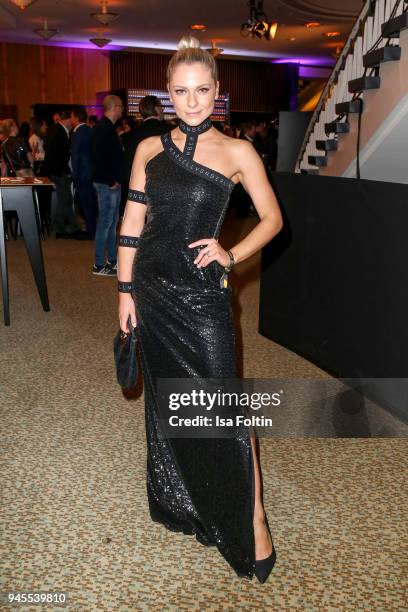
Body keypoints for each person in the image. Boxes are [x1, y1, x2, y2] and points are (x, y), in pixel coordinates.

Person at [117, 35, 283, 582]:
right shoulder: (147, 150)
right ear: (167, 93)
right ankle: (188, 501)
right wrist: (124, 292)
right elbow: (132, 226)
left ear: (217, 91)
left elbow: (273, 219)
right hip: (153, 294)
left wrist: (229, 253)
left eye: (202, 90)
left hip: (203, 297)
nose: (192, 101)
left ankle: (253, 518)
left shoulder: (237, 151)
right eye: (181, 91)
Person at [91, 94, 124, 275]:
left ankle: (111, 260)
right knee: (106, 223)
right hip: (107, 184)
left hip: (109, 182)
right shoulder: (104, 128)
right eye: (121, 106)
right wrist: (111, 180)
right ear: (115, 107)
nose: (123, 110)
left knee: (111, 223)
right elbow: (99, 159)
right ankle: (98, 264)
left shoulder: (106, 127)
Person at [120, 95, 170, 215]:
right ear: (156, 109)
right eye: (161, 107)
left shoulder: (129, 135)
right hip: (165, 190)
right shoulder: (170, 131)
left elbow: (127, 165)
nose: (162, 110)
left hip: (137, 189)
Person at [43, 110, 87, 239]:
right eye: (71, 120)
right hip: (59, 171)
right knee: (65, 200)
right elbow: (59, 155)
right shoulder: (59, 131)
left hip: (56, 171)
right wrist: (65, 171)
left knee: (65, 200)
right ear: (67, 119)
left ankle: (67, 228)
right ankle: (62, 229)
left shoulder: (54, 129)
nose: (72, 123)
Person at [70, 106, 97, 239]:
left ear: (75, 118)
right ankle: (93, 229)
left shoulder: (78, 133)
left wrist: (74, 175)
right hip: (91, 172)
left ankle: (90, 231)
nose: (70, 119)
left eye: (71, 116)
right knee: (91, 203)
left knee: (86, 204)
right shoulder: (90, 130)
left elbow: (76, 157)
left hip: (82, 174)